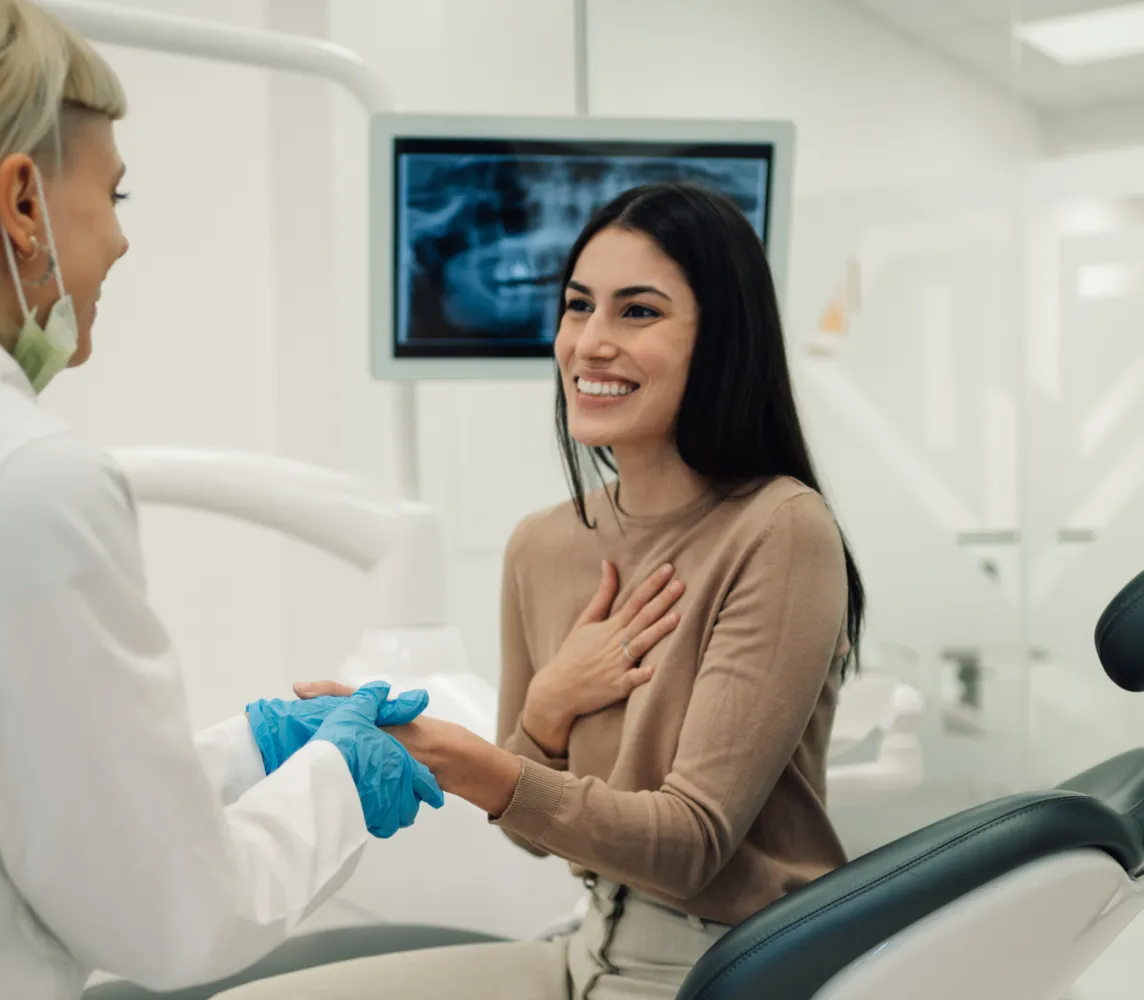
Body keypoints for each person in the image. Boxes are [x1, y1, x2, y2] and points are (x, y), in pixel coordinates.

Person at [225, 181, 866, 1000]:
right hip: (589, 945)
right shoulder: (543, 545)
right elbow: (534, 835)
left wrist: (463, 758)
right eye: (577, 307)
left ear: (722, 341)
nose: (590, 343)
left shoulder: (778, 529)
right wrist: (547, 709)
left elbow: (689, 846)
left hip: (726, 972)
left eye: (638, 312)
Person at [0, 3, 448, 998]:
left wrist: (252, 748)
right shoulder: (21, 481)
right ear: (22, 203)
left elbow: (18, 797)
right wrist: (341, 778)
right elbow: (173, 916)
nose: (124, 244)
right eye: (114, 194)